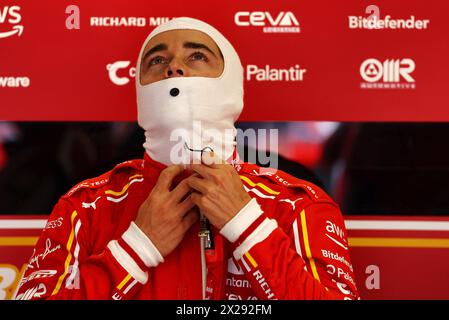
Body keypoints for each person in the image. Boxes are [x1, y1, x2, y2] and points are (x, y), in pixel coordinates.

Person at [15, 17, 359, 300]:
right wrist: (137, 247)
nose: (174, 68)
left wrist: (247, 225)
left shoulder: (296, 205)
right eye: (157, 60)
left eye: (196, 56)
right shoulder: (86, 207)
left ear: (232, 86)